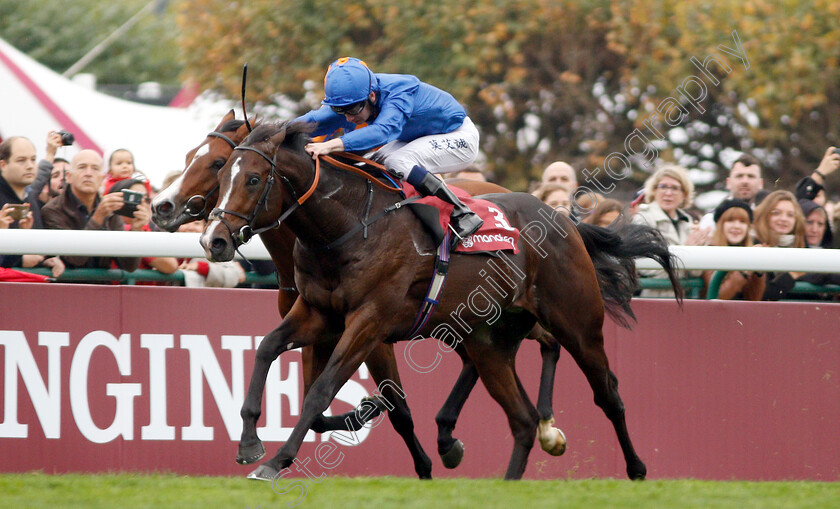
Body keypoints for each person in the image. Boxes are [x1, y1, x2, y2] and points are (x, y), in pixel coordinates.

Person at [294, 57, 482, 246]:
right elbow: (315, 120)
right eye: (340, 111)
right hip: (419, 138)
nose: (349, 118)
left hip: (459, 137)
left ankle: (462, 213)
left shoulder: (399, 92)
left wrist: (329, 145)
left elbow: (384, 131)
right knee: (372, 163)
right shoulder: (357, 98)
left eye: (352, 110)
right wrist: (274, 133)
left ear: (372, 96)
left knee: (397, 162)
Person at [41, 149, 145, 271]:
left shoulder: (110, 208)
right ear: (69, 177)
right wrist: (98, 217)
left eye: (95, 168)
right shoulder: (52, 210)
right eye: (82, 167)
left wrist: (136, 229)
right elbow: (75, 259)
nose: (88, 173)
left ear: (102, 179)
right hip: (67, 286)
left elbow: (128, 266)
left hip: (103, 287)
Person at [632, 165, 707, 297]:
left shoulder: (687, 222)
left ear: (684, 194)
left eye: (674, 188)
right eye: (663, 187)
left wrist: (702, 245)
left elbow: (696, 272)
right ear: (654, 190)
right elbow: (648, 268)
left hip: (685, 299)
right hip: (653, 298)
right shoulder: (643, 218)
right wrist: (686, 251)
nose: (668, 193)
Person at [0, 136, 65, 277]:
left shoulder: (28, 196)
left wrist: (46, 260)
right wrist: (20, 260)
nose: (30, 165)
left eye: (33, 160)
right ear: (3, 165)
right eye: (21, 160)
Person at [701, 199, 765, 300]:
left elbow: (754, 299)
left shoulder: (752, 252)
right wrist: (744, 271)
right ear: (720, 224)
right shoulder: (709, 252)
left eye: (742, 222)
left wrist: (759, 273)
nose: (736, 226)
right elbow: (717, 297)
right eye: (730, 220)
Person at [752, 190, 806, 300]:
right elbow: (762, 296)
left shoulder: (801, 248)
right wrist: (792, 275)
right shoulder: (753, 245)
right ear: (765, 215)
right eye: (776, 213)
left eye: (790, 215)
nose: (784, 219)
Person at [699, 154, 764, 230]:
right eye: (739, 176)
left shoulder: (765, 222)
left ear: (760, 183)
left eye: (751, 176)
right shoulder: (711, 221)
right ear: (728, 182)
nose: (745, 181)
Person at [177, 219, 246, 287]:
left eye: (196, 223)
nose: (190, 228)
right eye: (185, 223)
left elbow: (235, 276)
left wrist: (201, 267)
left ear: (205, 227)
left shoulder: (214, 250)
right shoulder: (167, 247)